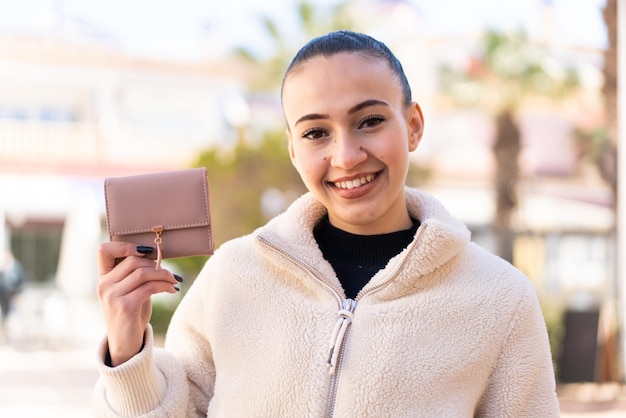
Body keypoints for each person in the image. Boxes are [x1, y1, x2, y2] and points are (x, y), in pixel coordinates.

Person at [93, 30, 560, 417]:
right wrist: (128, 353)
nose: (346, 156)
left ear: (413, 125)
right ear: (294, 149)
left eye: (370, 120)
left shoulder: (500, 299)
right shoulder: (231, 277)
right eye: (316, 132)